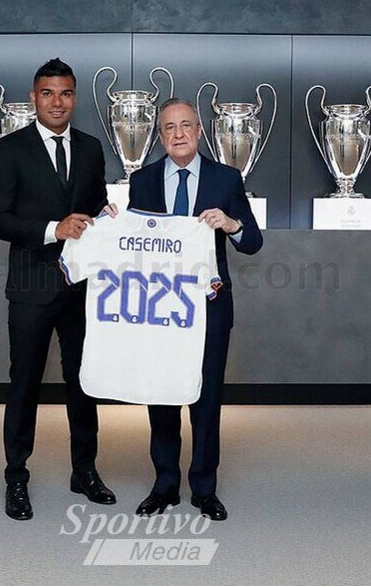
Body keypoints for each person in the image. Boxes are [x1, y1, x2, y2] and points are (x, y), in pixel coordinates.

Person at [0, 58, 118, 521]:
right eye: (47, 93)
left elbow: (95, 207)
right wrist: (51, 229)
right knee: (24, 384)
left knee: (84, 383)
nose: (56, 102)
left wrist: (110, 217)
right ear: (33, 98)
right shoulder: (10, 149)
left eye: (65, 93)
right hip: (30, 288)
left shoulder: (92, 148)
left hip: (81, 288)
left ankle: (85, 471)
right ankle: (16, 477)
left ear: (74, 98)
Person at [126, 97, 263, 521]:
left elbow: (253, 241)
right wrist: (110, 222)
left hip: (209, 307)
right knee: (162, 396)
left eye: (186, 125)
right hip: (159, 308)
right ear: (160, 136)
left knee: (206, 399)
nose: (179, 134)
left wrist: (232, 224)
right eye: (169, 127)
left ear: (200, 131)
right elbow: (131, 242)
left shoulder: (226, 178)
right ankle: (165, 484)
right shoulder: (143, 180)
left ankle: (204, 488)